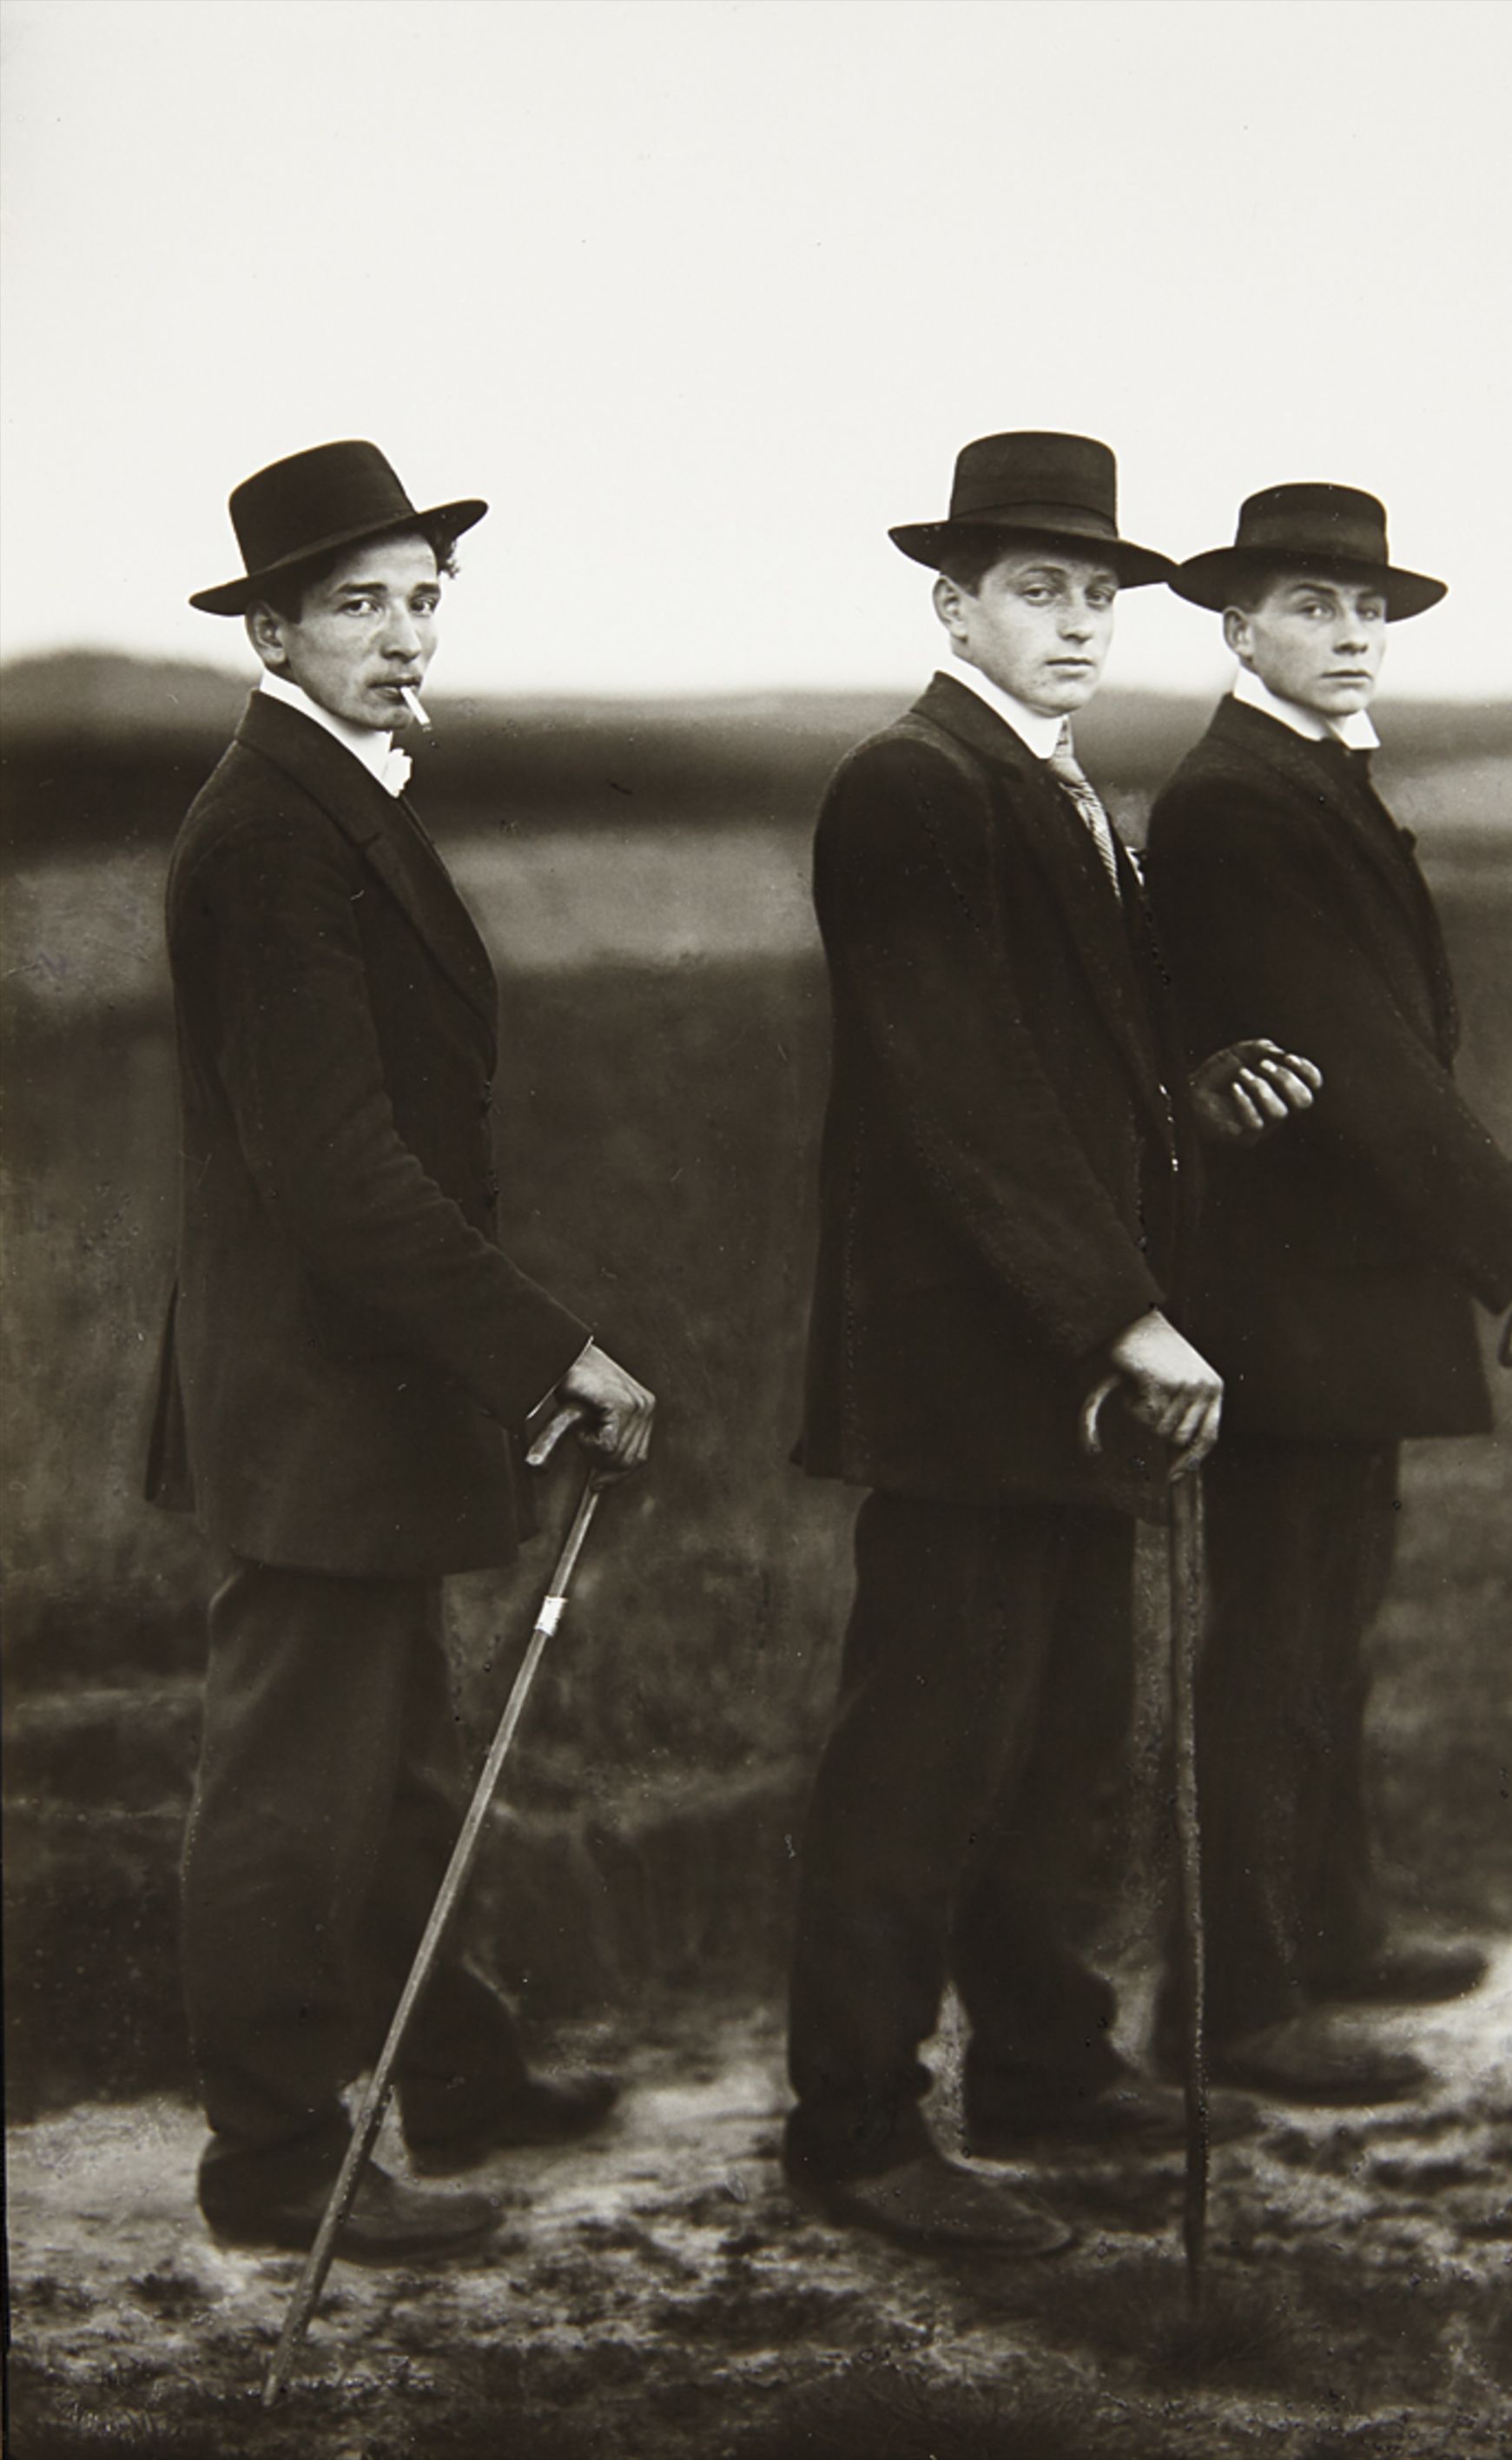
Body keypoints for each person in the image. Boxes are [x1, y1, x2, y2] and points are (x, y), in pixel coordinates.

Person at [784, 432, 1321, 2254]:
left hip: (1071, 1359)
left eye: (1098, 592)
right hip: (967, 1367)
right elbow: (962, 1097)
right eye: (1039, 588)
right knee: (923, 1746)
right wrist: (1121, 1311)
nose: (1080, 619)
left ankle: (1037, 2063)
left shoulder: (1056, 784)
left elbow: (1071, 1066)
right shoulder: (910, 786)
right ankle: (853, 2128)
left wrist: (1189, 1089)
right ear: (956, 602)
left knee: (1068, 1728)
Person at [147, 440, 657, 2263]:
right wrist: (547, 1355)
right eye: (359, 603)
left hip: (356, 1386)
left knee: (402, 1751)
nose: (402, 633)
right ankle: (275, 2166)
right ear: (273, 626)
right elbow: (334, 1168)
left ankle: (452, 2071)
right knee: (293, 1785)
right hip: (313, 1392)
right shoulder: (272, 825)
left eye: (423, 598)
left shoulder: (334, 795)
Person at [1143, 482, 1512, 2104]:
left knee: (1329, 1628)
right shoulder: (1238, 802)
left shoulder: (1304, 779)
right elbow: (1364, 1067)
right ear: (1238, 628)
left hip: (1343, 1291)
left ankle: (1334, 1927)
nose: (1348, 636)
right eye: (1310, 608)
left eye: (1367, 613)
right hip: (1285, 1297)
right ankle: (1235, 2000)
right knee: (1275, 1641)